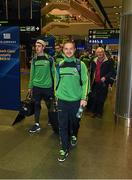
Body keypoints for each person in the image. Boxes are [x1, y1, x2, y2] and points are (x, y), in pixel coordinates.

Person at [55, 41, 90, 162]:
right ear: (63, 50)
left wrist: (83, 98)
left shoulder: (80, 65)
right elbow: (56, 81)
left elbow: (86, 82)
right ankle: (64, 148)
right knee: (63, 125)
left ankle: (74, 134)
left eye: (71, 49)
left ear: (75, 50)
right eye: (66, 49)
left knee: (75, 123)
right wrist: (56, 96)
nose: (68, 51)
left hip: (76, 101)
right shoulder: (59, 65)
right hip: (62, 101)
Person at [28, 39, 55, 133]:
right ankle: (36, 124)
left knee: (49, 105)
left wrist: (55, 86)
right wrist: (30, 87)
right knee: (36, 105)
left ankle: (52, 120)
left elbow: (54, 73)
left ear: (43, 47)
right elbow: (32, 74)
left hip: (47, 87)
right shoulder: (34, 59)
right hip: (36, 87)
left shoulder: (50, 59)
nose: (37, 48)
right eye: (36, 46)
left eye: (39, 46)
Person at [90, 47, 115, 118]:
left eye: (101, 52)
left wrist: (106, 77)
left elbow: (112, 71)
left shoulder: (109, 61)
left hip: (103, 83)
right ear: (96, 53)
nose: (99, 53)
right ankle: (93, 112)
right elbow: (91, 71)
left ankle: (99, 112)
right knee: (94, 97)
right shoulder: (93, 61)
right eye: (98, 52)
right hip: (95, 82)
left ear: (103, 53)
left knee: (101, 98)